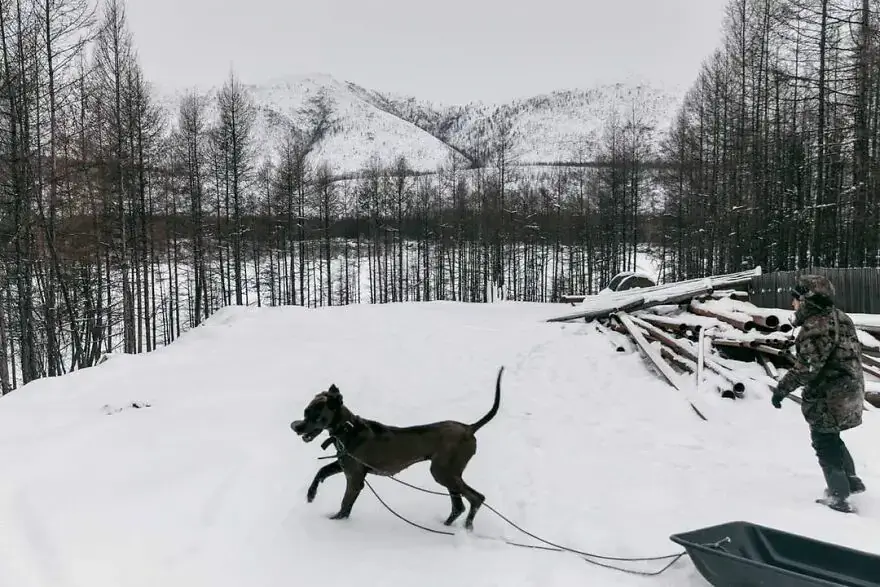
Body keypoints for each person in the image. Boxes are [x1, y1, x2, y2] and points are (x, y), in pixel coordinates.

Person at [771, 274, 866, 513]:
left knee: (823, 440)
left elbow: (807, 368)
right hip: (850, 388)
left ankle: (839, 496)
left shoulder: (816, 326)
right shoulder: (841, 317)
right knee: (832, 436)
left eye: (796, 299)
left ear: (807, 300)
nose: (793, 304)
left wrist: (781, 389)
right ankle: (851, 480)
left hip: (830, 394)